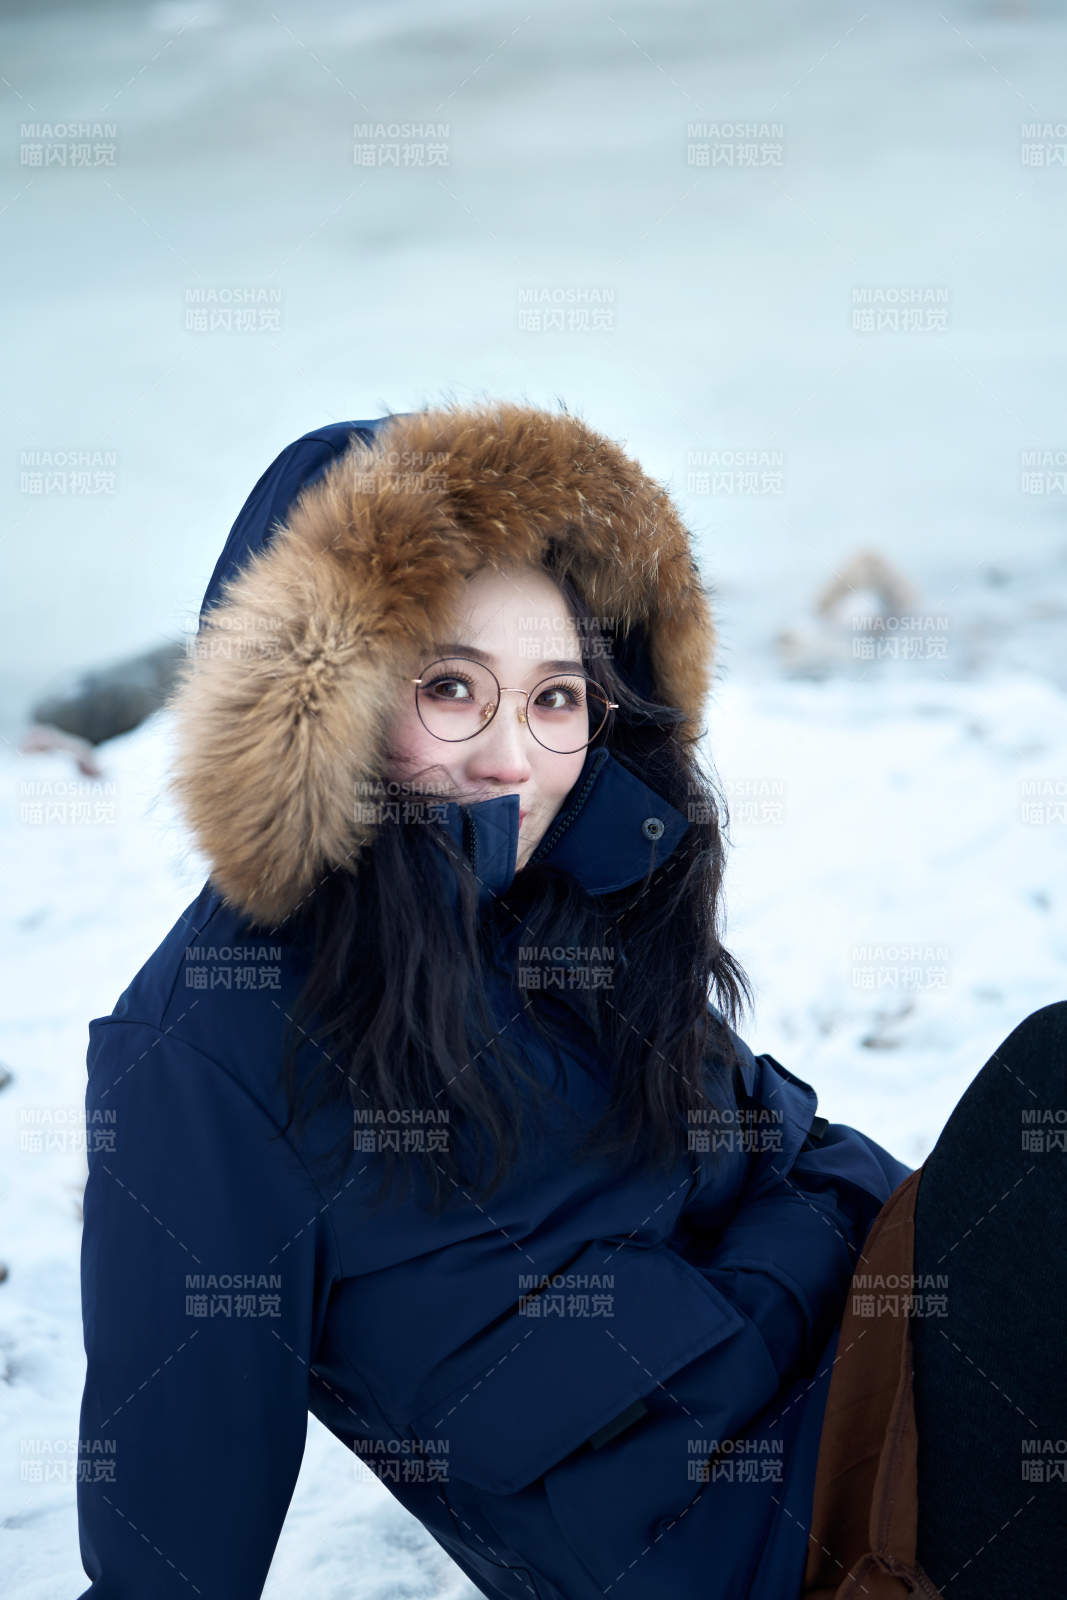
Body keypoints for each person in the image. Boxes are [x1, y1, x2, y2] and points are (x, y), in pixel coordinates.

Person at [71, 400, 1045, 1600]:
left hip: (896, 1363)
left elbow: (798, 1165)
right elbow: (169, 1548)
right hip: (793, 1544)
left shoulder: (579, 893)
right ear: (319, 695)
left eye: (553, 698)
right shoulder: (204, 1046)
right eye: (448, 688)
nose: (512, 761)